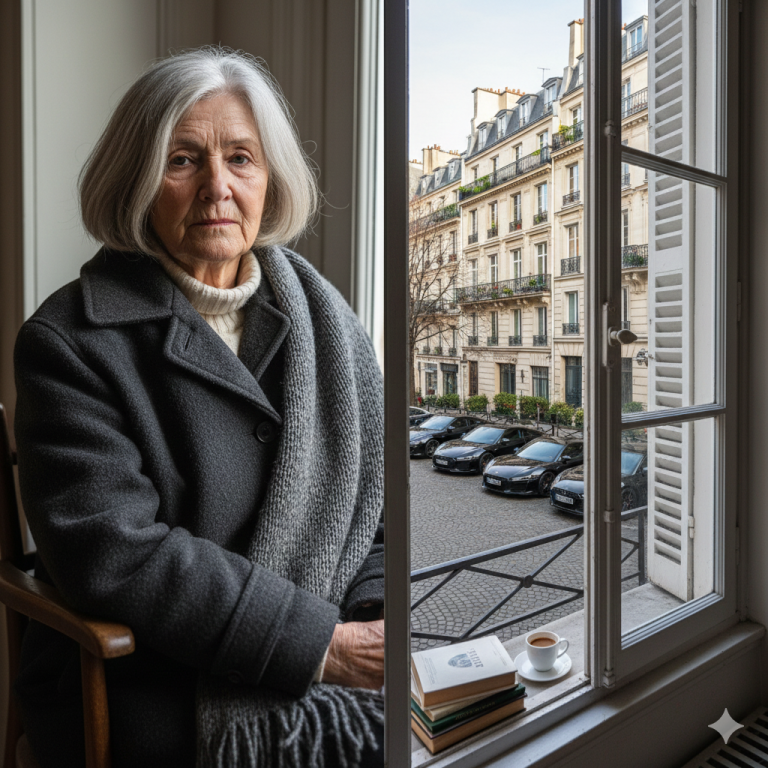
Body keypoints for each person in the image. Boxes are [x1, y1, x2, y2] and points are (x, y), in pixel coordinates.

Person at [13, 47, 385, 768]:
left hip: (324, 642)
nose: (219, 186)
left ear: (269, 177)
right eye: (183, 160)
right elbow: (116, 552)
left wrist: (374, 618)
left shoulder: (326, 326)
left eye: (241, 158)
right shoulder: (66, 340)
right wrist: (320, 648)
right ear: (137, 179)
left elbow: (369, 510)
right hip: (150, 678)